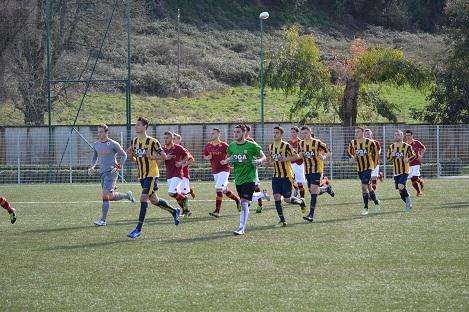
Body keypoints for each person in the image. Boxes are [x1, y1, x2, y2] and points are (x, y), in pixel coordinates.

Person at [127, 117, 181, 239]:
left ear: (145, 127)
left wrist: (151, 156)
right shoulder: (134, 141)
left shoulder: (153, 142)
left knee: (143, 198)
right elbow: (136, 159)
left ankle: (138, 229)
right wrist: (131, 156)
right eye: (136, 125)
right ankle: (174, 211)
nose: (136, 127)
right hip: (142, 175)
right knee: (154, 200)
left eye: (139, 125)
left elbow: (164, 156)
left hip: (152, 174)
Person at [221, 124, 267, 235]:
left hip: (249, 177)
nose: (235, 134)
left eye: (238, 132)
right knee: (245, 200)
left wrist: (259, 161)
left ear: (243, 133)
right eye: (234, 132)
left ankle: (242, 228)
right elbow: (229, 158)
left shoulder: (252, 145)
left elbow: (264, 157)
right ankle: (262, 195)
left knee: (244, 202)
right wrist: (227, 161)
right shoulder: (231, 146)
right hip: (238, 178)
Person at [88, 124, 135, 226]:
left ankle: (103, 220)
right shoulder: (96, 144)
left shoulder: (113, 144)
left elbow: (124, 155)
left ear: (106, 132)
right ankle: (127, 196)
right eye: (98, 132)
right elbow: (94, 158)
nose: (99, 134)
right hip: (102, 173)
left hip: (111, 173)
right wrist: (92, 167)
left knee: (105, 196)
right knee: (110, 196)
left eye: (101, 132)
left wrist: (118, 167)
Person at [267, 126, 306, 226]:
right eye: (274, 132)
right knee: (276, 197)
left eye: (277, 132)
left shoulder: (286, 145)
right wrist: (267, 163)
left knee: (287, 199)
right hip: (276, 176)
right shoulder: (270, 146)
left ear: (281, 134)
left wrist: (285, 159)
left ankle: (301, 202)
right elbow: (271, 160)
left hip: (287, 176)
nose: (274, 134)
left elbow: (297, 156)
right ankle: (282, 220)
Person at [203, 128, 241, 218]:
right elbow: (205, 156)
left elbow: (233, 154)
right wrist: (208, 157)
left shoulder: (224, 145)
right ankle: (237, 200)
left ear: (218, 134)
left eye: (213, 133)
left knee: (218, 188)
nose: (211, 135)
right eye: (211, 133)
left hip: (224, 170)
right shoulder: (208, 145)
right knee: (224, 190)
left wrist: (226, 160)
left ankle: (217, 211)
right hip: (215, 171)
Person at [298, 126, 332, 222]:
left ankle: (311, 215)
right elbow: (300, 155)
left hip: (317, 169)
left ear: (310, 132)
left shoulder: (317, 143)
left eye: (306, 133)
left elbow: (329, 152)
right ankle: (326, 188)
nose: (304, 135)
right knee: (313, 191)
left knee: (313, 190)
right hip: (307, 170)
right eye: (303, 133)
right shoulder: (301, 143)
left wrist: (324, 157)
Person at [347, 127, 380, 215]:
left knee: (363, 186)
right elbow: (349, 152)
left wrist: (374, 165)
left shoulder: (370, 142)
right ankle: (376, 202)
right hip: (360, 168)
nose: (356, 133)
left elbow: (375, 154)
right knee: (369, 187)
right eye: (355, 132)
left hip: (368, 167)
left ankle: (365, 208)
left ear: (362, 133)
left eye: (358, 132)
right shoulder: (353, 143)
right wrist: (352, 157)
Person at [163, 131, 192, 217]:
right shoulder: (163, 149)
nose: (165, 140)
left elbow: (187, 156)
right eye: (164, 138)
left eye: (167, 138)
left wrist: (181, 163)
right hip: (169, 175)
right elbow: (160, 161)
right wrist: (164, 158)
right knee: (176, 195)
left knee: (171, 192)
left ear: (172, 138)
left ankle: (184, 198)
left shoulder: (178, 148)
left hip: (178, 174)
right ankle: (186, 210)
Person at [244, 124, 270, 213]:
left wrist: (257, 161)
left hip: (251, 168)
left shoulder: (251, 142)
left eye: (244, 131)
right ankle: (247, 203)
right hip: (242, 169)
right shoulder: (238, 142)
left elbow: (258, 154)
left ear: (247, 132)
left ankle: (259, 204)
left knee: (255, 186)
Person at [388, 130, 416, 212]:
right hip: (396, 171)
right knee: (401, 191)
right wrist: (392, 156)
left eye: (398, 135)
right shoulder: (391, 147)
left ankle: (408, 203)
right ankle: (408, 202)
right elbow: (388, 158)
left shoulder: (407, 146)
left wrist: (408, 159)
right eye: (395, 135)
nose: (397, 136)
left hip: (405, 170)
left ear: (402, 136)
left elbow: (413, 156)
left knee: (401, 186)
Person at [364, 128, 383, 211]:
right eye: (366, 134)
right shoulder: (362, 143)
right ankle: (379, 175)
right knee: (368, 181)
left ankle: (370, 197)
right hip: (366, 165)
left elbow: (379, 151)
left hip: (375, 163)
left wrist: (376, 154)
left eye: (368, 134)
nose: (367, 135)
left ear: (371, 134)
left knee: (373, 179)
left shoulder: (375, 142)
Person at [173, 133, 196, 199]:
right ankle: (189, 190)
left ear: (179, 140)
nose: (173, 140)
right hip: (174, 175)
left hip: (183, 174)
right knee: (176, 193)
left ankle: (185, 209)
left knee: (183, 194)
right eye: (172, 139)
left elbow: (191, 160)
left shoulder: (183, 150)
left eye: (174, 139)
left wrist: (183, 165)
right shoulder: (170, 149)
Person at [404, 130, 426, 196]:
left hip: (416, 162)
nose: (408, 137)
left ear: (412, 135)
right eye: (406, 135)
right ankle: (420, 181)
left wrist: (421, 155)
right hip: (408, 164)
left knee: (414, 177)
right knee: (413, 178)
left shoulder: (416, 142)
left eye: (409, 135)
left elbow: (423, 148)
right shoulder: (404, 145)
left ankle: (419, 192)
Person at [288, 126, 306, 199]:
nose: (292, 134)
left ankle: (302, 198)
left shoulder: (301, 142)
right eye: (291, 132)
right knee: (289, 181)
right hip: (290, 164)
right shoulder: (288, 143)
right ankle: (296, 189)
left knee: (300, 182)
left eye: (294, 132)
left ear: (297, 133)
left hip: (299, 164)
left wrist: (294, 157)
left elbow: (302, 155)